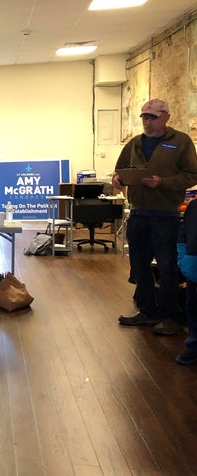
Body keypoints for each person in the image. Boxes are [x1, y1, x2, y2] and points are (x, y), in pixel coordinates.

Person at [113, 98, 197, 335]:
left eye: (152, 118)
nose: (147, 123)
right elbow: (119, 171)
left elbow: (192, 175)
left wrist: (163, 182)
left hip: (166, 216)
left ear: (166, 117)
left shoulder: (180, 142)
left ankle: (170, 316)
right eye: (144, 117)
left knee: (167, 267)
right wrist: (118, 181)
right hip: (138, 214)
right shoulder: (134, 144)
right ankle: (148, 311)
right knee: (139, 266)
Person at [177, 198, 197, 364]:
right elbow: (183, 234)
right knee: (192, 306)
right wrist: (183, 258)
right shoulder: (193, 207)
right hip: (193, 266)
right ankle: (194, 345)